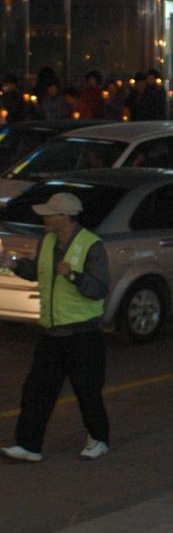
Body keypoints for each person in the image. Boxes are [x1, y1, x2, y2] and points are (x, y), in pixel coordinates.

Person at [1, 192, 111, 463]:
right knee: (36, 390)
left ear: (65, 217)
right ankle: (28, 445)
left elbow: (99, 288)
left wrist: (73, 275)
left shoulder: (91, 245)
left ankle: (99, 439)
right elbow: (37, 271)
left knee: (87, 391)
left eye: (49, 214)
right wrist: (12, 265)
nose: (44, 218)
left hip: (82, 335)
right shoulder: (47, 241)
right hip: (51, 333)